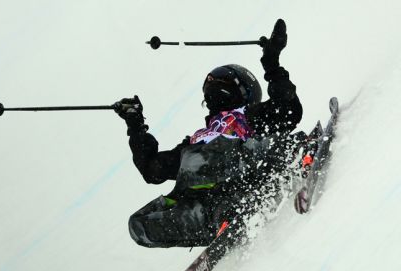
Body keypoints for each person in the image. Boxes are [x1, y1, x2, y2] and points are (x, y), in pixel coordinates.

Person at [115, 18, 303, 248]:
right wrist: (135, 125)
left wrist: (271, 63)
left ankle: (292, 158)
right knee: (138, 223)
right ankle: (223, 219)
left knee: (273, 141)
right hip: (203, 210)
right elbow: (152, 169)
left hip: (244, 185)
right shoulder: (195, 141)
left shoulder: (249, 115)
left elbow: (288, 111)